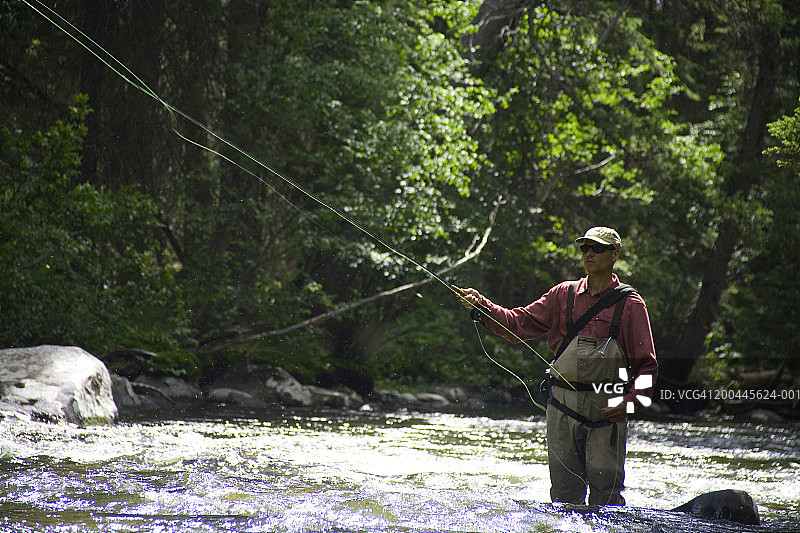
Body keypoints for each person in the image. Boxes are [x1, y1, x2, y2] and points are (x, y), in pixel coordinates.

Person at [455, 226, 657, 506]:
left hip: (607, 409)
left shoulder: (631, 304)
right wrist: (482, 307)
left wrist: (631, 404)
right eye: (585, 248)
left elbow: (647, 365)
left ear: (614, 255)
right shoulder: (564, 294)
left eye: (597, 249)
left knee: (606, 499)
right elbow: (518, 324)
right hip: (561, 406)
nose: (589, 254)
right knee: (563, 497)